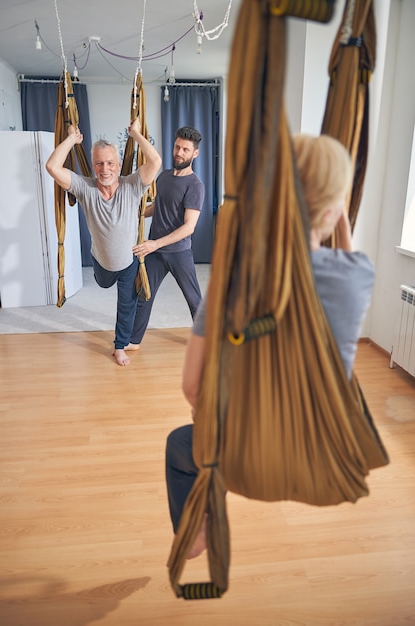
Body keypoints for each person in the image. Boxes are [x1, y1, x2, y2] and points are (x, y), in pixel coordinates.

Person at [165, 134, 376, 560]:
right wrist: (340, 216)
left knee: (180, 445)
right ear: (335, 212)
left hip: (248, 455)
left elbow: (191, 388)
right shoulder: (359, 277)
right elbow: (347, 258)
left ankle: (200, 524)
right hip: (320, 452)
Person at [46, 119, 161, 366]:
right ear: (94, 166)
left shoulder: (132, 186)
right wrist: (72, 140)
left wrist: (137, 135)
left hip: (128, 261)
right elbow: (52, 166)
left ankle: (119, 346)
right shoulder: (85, 187)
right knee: (103, 284)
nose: (105, 169)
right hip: (102, 264)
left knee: (127, 305)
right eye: (99, 163)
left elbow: (156, 162)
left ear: (119, 165)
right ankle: (106, 282)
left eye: (110, 163)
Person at [125, 126, 205, 351]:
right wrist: (135, 211)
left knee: (194, 299)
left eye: (185, 150)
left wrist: (155, 244)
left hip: (178, 252)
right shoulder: (165, 176)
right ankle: (133, 340)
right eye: (177, 147)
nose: (179, 152)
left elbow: (189, 227)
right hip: (155, 252)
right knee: (143, 294)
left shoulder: (195, 185)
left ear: (194, 154)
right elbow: (156, 208)